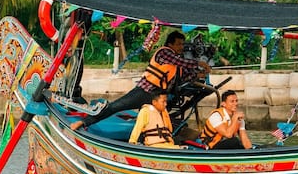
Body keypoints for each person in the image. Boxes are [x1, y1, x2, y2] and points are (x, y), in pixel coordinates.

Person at [71, 31, 211, 131]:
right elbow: (181, 61)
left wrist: (199, 74)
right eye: (179, 44)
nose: (181, 47)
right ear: (170, 44)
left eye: (182, 45)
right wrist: (199, 63)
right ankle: (83, 122)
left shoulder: (177, 65)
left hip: (158, 97)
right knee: (115, 107)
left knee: (163, 121)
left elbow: (184, 77)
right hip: (145, 91)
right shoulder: (164, 53)